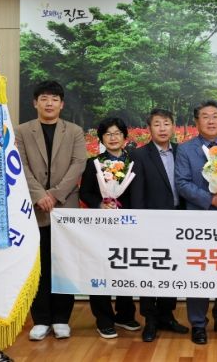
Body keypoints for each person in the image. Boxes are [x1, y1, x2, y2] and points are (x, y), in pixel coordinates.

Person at [15, 80, 87, 341]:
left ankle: (61, 319)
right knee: (38, 264)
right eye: (44, 98)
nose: (49, 103)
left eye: (54, 99)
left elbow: (79, 163)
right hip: (34, 208)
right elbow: (19, 165)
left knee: (64, 264)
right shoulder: (22, 131)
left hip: (64, 206)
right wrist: (39, 195)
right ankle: (41, 319)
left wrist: (55, 194)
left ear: (61, 104)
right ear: (35, 103)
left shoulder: (74, 131)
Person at [174, 100, 217, 345]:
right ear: (196, 121)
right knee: (199, 271)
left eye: (215, 116)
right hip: (198, 221)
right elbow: (182, 183)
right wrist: (212, 199)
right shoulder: (185, 150)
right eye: (205, 116)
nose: (211, 121)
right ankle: (198, 324)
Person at [129, 108, 189, 342]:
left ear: (173, 126)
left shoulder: (182, 151)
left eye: (166, 123)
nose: (162, 128)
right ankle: (150, 320)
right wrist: (139, 223)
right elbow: (137, 193)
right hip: (151, 222)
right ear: (149, 128)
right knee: (150, 269)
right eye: (157, 124)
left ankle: (167, 315)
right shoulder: (140, 155)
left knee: (172, 268)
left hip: (178, 219)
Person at [79, 117, 141, 339]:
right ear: (102, 139)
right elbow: (85, 192)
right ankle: (104, 319)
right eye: (108, 134)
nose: (113, 138)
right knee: (101, 270)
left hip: (130, 224)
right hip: (101, 226)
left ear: (124, 137)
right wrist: (100, 204)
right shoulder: (93, 164)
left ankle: (125, 315)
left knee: (125, 267)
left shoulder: (135, 161)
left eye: (117, 133)